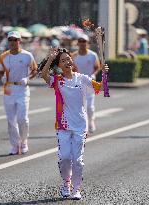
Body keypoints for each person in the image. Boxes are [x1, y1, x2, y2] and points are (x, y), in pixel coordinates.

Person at [41, 47, 108, 200]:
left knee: (77, 160)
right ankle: (66, 183)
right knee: (64, 158)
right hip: (63, 126)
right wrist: (50, 58)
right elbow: (44, 75)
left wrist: (104, 74)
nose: (67, 62)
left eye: (68, 59)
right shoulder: (57, 80)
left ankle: (77, 189)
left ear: (72, 60)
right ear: (59, 65)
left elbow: (101, 88)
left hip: (80, 126)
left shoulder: (82, 78)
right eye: (63, 60)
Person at [0, 31, 38, 155]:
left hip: (22, 89)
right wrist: (2, 78)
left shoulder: (27, 55)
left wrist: (27, 79)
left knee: (22, 119)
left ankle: (24, 141)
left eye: (15, 40)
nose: (12, 42)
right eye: (10, 40)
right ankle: (15, 145)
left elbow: (35, 71)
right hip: (9, 89)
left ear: (19, 41)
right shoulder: (3, 56)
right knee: (11, 120)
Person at [72, 33, 101, 133]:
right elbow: (71, 69)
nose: (82, 43)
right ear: (78, 43)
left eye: (84, 41)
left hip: (89, 83)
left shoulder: (92, 55)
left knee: (89, 107)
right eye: (80, 41)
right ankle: (82, 126)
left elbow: (97, 67)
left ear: (87, 43)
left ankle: (91, 121)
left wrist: (94, 74)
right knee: (80, 107)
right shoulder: (74, 56)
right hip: (78, 83)